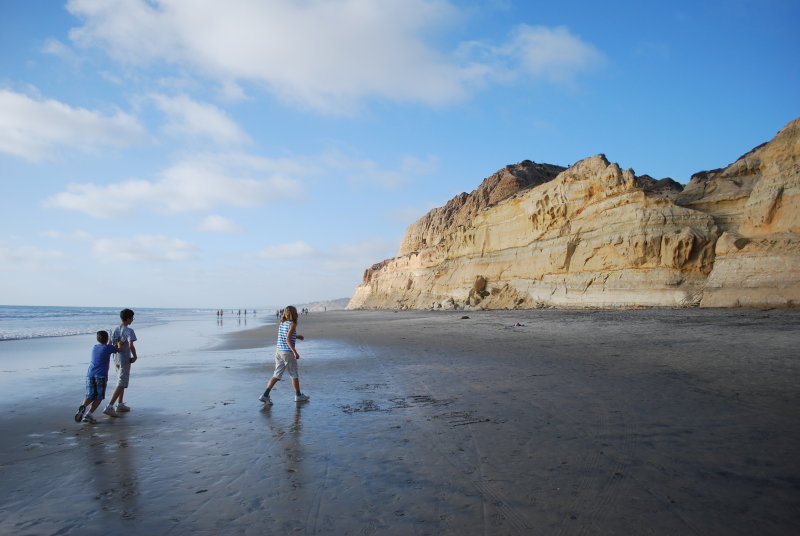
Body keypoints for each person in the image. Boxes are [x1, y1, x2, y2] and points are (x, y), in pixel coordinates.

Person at [259, 305, 310, 405]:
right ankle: (298, 395)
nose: (297, 314)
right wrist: (295, 352)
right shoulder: (293, 324)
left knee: (276, 375)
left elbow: (286, 335)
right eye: (295, 312)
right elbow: (287, 339)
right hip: (287, 352)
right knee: (294, 374)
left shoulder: (282, 323)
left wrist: (297, 336)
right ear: (293, 314)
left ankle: (265, 395)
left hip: (278, 351)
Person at [74, 331, 119, 424]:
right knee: (99, 397)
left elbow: (106, 347)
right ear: (107, 339)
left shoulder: (95, 347)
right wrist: (119, 343)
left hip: (90, 374)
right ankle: (89, 414)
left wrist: (109, 343)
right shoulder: (109, 347)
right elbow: (119, 349)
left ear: (97, 339)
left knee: (90, 395)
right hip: (101, 375)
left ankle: (83, 406)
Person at [105, 308, 138, 417]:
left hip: (115, 358)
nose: (133, 320)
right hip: (124, 358)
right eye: (132, 318)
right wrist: (135, 356)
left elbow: (109, 344)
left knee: (121, 380)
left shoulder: (113, 329)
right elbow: (130, 345)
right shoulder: (129, 331)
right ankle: (110, 406)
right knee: (121, 382)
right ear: (128, 318)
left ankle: (120, 404)